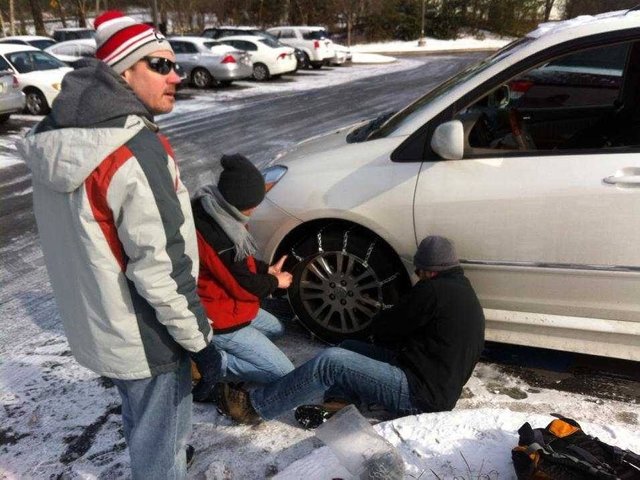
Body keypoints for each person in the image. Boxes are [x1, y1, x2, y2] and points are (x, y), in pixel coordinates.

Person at [17, 10, 222, 479]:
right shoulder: (132, 150)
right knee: (162, 441)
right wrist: (200, 342)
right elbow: (161, 265)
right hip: (148, 334)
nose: (178, 76)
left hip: (102, 325)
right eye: (161, 65)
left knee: (145, 422)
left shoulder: (60, 137)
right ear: (123, 72)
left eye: (176, 65)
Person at [213, 235, 486, 427]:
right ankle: (340, 403)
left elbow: (390, 330)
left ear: (429, 271)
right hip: (429, 379)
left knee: (331, 362)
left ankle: (254, 407)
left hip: (418, 394)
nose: (417, 275)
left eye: (419, 271)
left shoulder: (433, 292)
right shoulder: (460, 290)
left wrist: (377, 316)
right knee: (347, 349)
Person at [191, 154, 295, 388]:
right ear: (236, 200)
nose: (255, 209)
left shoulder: (217, 210)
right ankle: (210, 362)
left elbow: (240, 265)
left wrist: (265, 268)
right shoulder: (219, 237)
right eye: (252, 206)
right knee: (284, 374)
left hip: (227, 302)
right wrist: (275, 281)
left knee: (277, 330)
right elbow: (242, 287)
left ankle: (217, 349)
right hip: (218, 316)